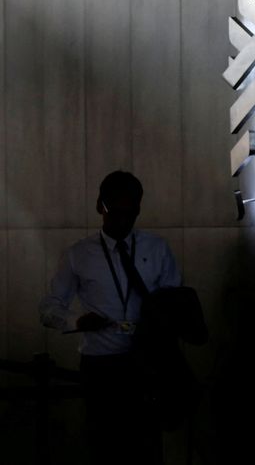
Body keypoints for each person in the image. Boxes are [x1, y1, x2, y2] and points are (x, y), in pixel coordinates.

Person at [39, 170, 181, 465]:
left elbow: (173, 303)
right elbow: (49, 307)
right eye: (115, 209)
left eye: (130, 211)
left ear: (139, 209)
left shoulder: (157, 249)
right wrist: (76, 321)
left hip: (146, 363)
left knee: (147, 448)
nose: (122, 218)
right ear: (100, 206)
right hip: (100, 366)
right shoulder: (79, 254)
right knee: (105, 448)